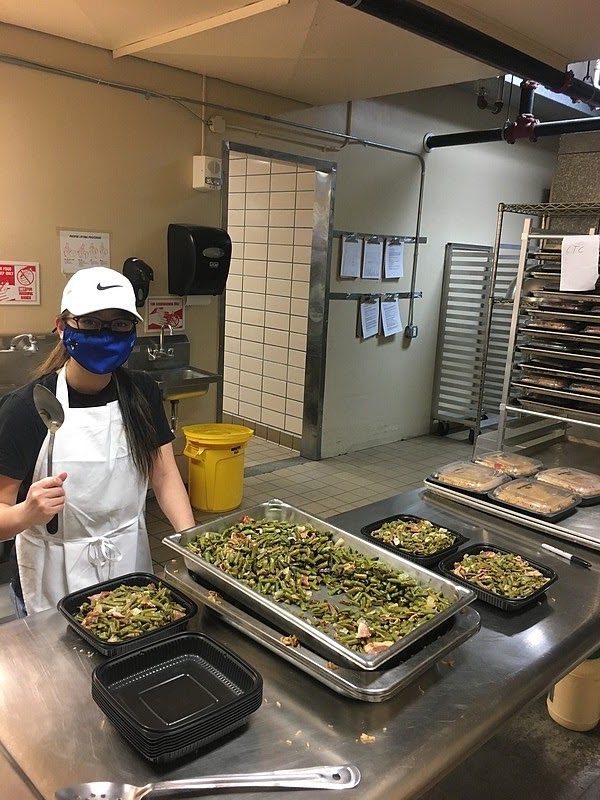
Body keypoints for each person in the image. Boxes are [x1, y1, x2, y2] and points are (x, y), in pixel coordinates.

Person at [0, 267, 196, 616]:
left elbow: (164, 476)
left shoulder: (142, 392)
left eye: (119, 324)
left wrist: (192, 547)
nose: (106, 335)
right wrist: (25, 513)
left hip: (126, 565)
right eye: (90, 323)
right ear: (61, 326)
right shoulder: (27, 407)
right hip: (51, 575)